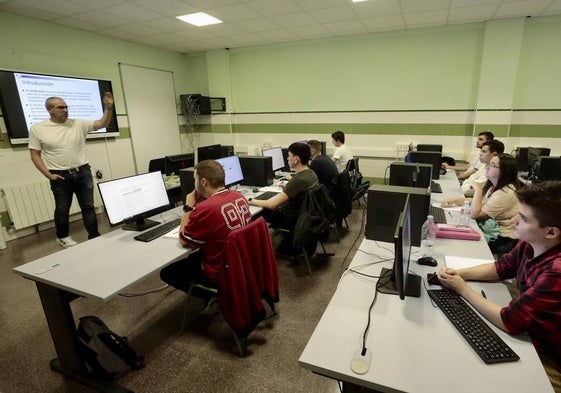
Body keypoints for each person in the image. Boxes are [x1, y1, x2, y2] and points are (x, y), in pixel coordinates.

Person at [438, 181, 561, 392]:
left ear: (551, 232)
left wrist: (461, 288)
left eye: (523, 218)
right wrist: (460, 273)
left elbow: (509, 320)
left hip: (550, 358)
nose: (514, 220)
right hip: (530, 337)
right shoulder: (530, 243)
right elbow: (501, 268)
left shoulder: (557, 270)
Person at [28, 93, 114, 248]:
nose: (65, 110)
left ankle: (94, 235)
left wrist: (108, 108)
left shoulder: (78, 123)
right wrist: (47, 174)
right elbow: (35, 154)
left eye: (66, 107)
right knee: (62, 208)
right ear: (49, 110)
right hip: (59, 175)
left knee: (88, 206)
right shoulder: (38, 129)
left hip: (83, 172)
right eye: (60, 107)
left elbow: (102, 123)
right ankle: (62, 237)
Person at [160, 160, 251, 292]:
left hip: (221, 271)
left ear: (203, 182)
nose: (194, 183)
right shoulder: (239, 196)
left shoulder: (205, 209)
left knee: (167, 272)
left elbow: (183, 240)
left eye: (195, 179)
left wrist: (189, 207)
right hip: (240, 262)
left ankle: (214, 295)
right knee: (193, 257)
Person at [442, 154, 522, 254]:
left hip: (501, 238)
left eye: (492, 165)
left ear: (504, 171)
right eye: (489, 164)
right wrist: (455, 200)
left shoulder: (505, 192)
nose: (487, 167)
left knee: (458, 242)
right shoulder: (494, 185)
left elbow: (475, 214)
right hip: (490, 230)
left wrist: (478, 189)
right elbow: (479, 201)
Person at [250, 142, 319, 250]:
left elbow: (272, 205)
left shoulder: (298, 180)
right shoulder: (311, 173)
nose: (287, 158)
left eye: (289, 156)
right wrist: (288, 188)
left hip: (289, 218)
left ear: (296, 159)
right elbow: (298, 188)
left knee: (256, 213)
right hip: (303, 215)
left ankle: (258, 250)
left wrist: (250, 200)